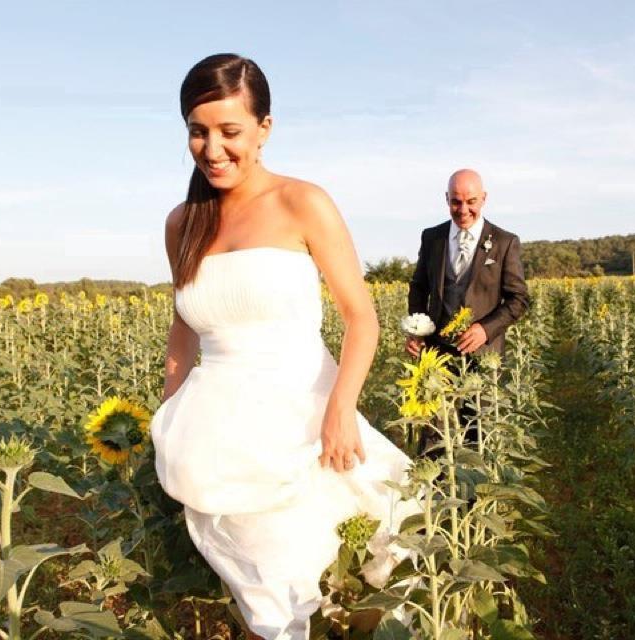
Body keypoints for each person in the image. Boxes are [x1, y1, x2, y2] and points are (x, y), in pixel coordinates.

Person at [149, 54, 415, 640]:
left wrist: (341, 411)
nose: (212, 148)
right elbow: (184, 327)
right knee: (264, 604)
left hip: (304, 423)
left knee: (355, 589)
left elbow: (360, 318)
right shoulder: (182, 222)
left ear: (265, 129)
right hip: (216, 432)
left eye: (230, 131)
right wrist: (167, 417)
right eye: (198, 131)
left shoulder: (303, 203)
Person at [405, 170, 530, 452]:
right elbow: (419, 287)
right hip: (437, 353)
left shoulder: (503, 241)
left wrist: (485, 329)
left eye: (471, 201)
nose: (464, 210)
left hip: (483, 357)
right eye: (456, 202)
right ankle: (432, 494)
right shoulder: (432, 238)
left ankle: (475, 497)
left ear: (484, 199)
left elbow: (518, 299)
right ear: (446, 199)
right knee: (435, 432)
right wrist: (417, 330)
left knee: (479, 434)